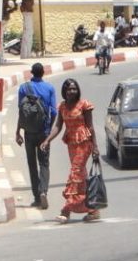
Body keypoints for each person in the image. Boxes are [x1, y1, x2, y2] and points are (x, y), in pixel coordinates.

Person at [40, 79, 101, 223]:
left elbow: (90, 127)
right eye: (69, 89)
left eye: (74, 89)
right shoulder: (62, 107)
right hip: (71, 144)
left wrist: (95, 147)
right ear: (64, 91)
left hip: (84, 143)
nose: (71, 91)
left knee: (75, 173)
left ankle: (65, 210)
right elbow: (58, 127)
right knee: (81, 177)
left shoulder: (84, 105)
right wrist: (47, 140)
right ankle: (93, 210)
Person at [15, 63, 57, 210]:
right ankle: (43, 191)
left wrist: (17, 132)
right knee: (44, 163)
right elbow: (53, 112)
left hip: (28, 133)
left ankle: (37, 197)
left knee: (32, 164)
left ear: (32, 73)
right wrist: (49, 130)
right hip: (44, 132)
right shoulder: (50, 88)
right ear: (43, 73)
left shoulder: (23, 88)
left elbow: (21, 111)